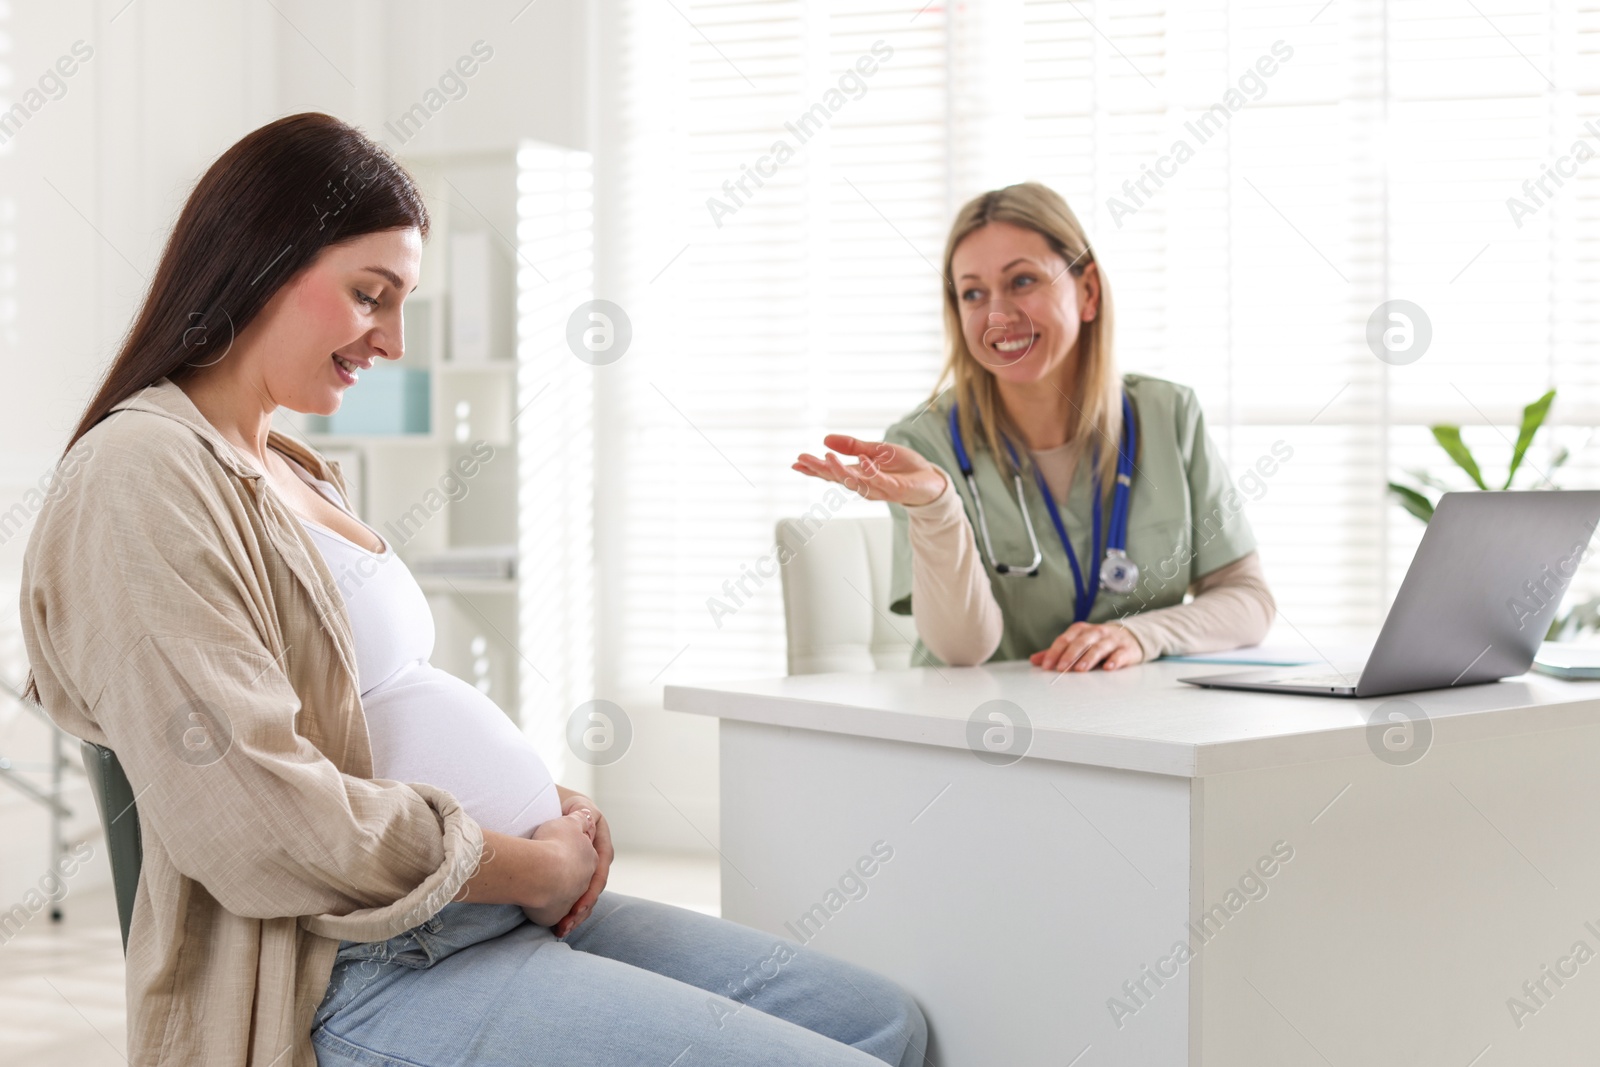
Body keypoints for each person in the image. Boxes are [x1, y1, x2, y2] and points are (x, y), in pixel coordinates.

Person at [20, 112, 925, 1067]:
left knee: (884, 1024)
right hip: (358, 965)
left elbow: (377, 711)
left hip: (482, 909)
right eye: (372, 295)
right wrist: (529, 863)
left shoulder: (287, 462)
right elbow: (258, 817)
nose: (393, 339)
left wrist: (546, 807)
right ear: (262, 259)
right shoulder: (140, 473)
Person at [795, 182, 1275, 672]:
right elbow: (962, 651)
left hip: (1140, 727)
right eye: (973, 293)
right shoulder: (924, 444)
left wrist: (1139, 634)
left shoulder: (1168, 415)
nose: (997, 317)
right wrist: (937, 507)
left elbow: (1248, 601)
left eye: (1022, 281)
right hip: (979, 733)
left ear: (1087, 292)